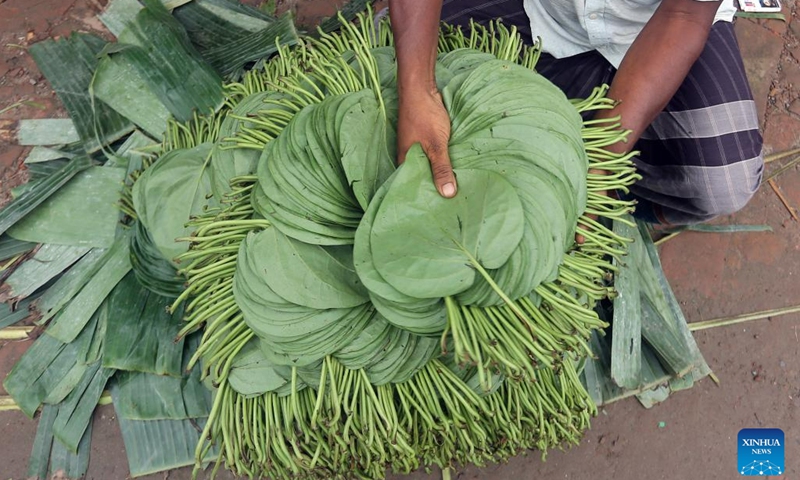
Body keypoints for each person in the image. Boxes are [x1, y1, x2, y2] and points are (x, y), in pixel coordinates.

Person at [388, 0, 763, 225]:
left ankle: (630, 207)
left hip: (655, 26)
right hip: (543, 10)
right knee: (384, 51)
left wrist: (602, 162)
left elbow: (683, 13)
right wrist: (418, 88)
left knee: (722, 181)